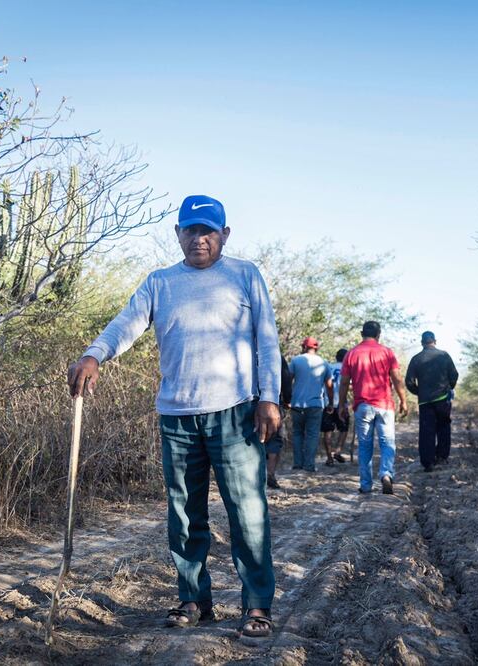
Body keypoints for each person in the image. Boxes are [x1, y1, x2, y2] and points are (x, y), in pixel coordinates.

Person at [66, 194, 279, 639]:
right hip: (178, 417)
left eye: (208, 231)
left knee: (248, 513)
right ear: (177, 233)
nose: (198, 239)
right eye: (190, 230)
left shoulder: (244, 275)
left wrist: (268, 397)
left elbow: (266, 340)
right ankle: (194, 599)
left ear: (225, 234)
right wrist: (93, 355)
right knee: (184, 515)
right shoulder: (160, 282)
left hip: (235, 413)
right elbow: (126, 323)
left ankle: (257, 604)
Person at [336, 321, 408, 494]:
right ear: (379, 334)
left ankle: (366, 485)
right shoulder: (386, 352)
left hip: (363, 406)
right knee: (387, 442)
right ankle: (386, 474)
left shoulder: (351, 354)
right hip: (384, 406)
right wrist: (403, 400)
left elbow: (344, 382)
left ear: (362, 333)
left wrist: (342, 404)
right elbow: (397, 378)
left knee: (365, 445)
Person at [405, 331, 459, 472]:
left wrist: (419, 392)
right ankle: (442, 457)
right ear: (435, 341)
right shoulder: (444, 355)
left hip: (425, 402)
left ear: (422, 342)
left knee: (426, 431)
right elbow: (454, 375)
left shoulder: (416, 359)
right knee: (443, 427)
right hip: (443, 399)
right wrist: (449, 387)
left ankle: (428, 462)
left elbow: (409, 382)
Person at [287, 337, 333, 472]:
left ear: (304, 346)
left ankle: (297, 464)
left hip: (297, 403)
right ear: (316, 348)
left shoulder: (295, 360)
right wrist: (330, 402)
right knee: (312, 435)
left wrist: (287, 399)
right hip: (315, 404)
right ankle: (309, 465)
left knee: (297, 433)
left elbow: (288, 380)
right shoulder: (324, 363)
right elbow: (329, 386)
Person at [265, 353, 292, 489]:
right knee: (275, 440)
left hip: (247, 405)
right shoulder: (276, 356)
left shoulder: (246, 351)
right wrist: (287, 399)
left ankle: (254, 476)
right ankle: (270, 474)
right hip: (274, 403)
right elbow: (286, 379)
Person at [320, 348, 349, 465]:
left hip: (327, 403)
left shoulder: (328, 367)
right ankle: (337, 450)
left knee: (327, 430)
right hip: (341, 403)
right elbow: (348, 385)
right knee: (344, 428)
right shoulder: (347, 368)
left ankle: (329, 458)